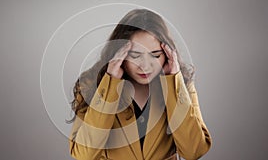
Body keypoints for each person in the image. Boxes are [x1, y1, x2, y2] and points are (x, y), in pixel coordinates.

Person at [68, 9, 212, 160]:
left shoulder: (180, 83)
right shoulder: (90, 83)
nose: (145, 66)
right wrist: (110, 81)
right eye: (135, 55)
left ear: (168, 54)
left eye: (155, 55)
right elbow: (84, 154)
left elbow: (194, 151)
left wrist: (173, 80)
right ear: (119, 52)